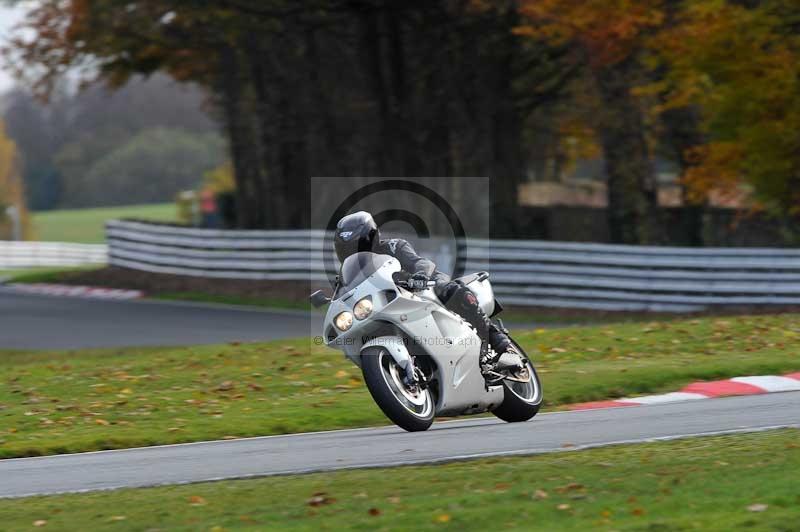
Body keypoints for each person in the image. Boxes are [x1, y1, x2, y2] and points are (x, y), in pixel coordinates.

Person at [333, 211, 522, 370]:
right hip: (391, 307)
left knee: (449, 290)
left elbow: (421, 262)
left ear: (370, 238)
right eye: (347, 249)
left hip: (423, 287)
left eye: (356, 246)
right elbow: (342, 295)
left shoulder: (393, 246)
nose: (353, 253)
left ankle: (500, 342)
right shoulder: (347, 275)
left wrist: (421, 274)